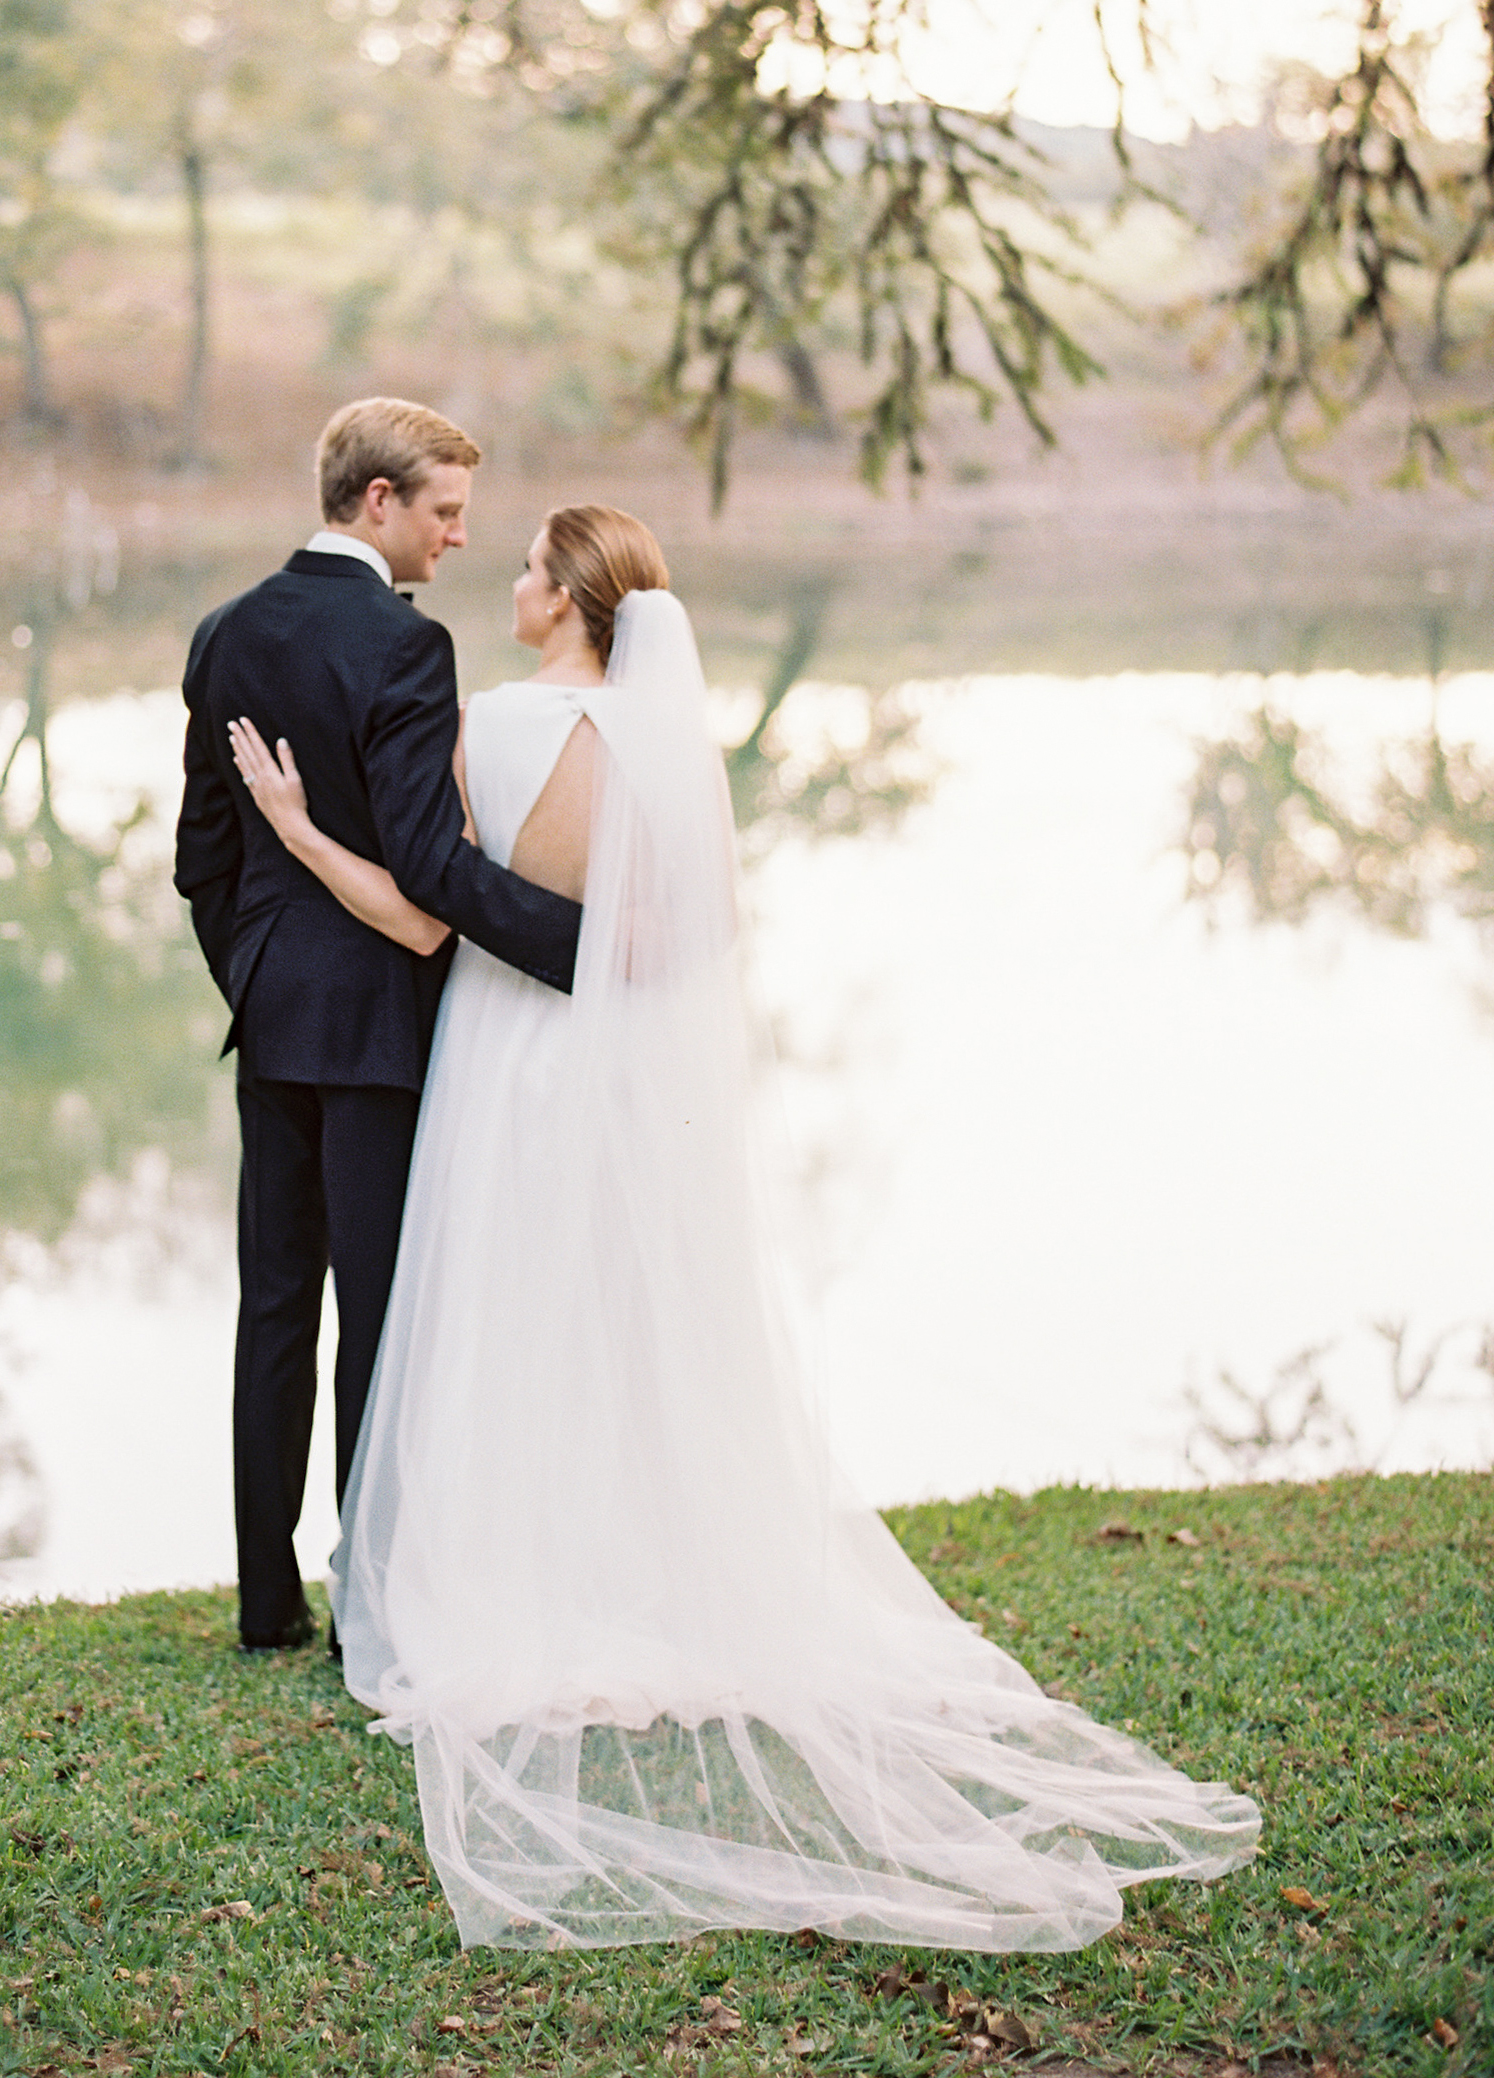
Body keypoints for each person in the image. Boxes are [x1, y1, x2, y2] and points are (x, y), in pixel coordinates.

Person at [225, 502, 1262, 1951]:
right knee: (628, 1320)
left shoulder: (498, 721)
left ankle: (502, 1577)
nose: (507, 579)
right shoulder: (671, 744)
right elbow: (695, 931)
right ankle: (639, 1573)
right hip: (621, 1067)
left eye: (527, 566)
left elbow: (426, 911)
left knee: (504, 1315)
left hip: (509, 1054)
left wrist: (287, 826)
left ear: (571, 599)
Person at [174, 399, 585, 1654]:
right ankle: (366, 1606)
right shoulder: (404, 649)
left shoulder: (224, 631)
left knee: (275, 1309)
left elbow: (202, 859)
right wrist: (580, 945)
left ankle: (264, 1604)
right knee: (381, 1320)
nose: (458, 539)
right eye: (445, 512)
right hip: (380, 1034)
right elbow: (423, 866)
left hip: (273, 1018)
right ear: (378, 503)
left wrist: (254, 974)